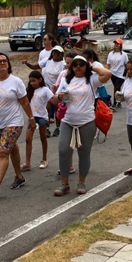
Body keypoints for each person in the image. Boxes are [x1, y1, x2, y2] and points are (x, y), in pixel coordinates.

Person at [50, 56, 112, 196]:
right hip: (68, 121)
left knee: (84, 153)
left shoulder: (91, 80)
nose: (78, 67)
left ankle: (81, 182)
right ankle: (64, 184)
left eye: (81, 64)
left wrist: (91, 67)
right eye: (75, 64)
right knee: (64, 151)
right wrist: (60, 97)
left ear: (86, 66)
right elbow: (54, 99)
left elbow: (107, 74)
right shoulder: (67, 80)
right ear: (71, 67)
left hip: (87, 121)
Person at [0, 53, 36, 198]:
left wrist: (31, 118)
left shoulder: (15, 82)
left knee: (4, 151)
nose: (2, 63)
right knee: (12, 147)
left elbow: (24, 102)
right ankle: (19, 177)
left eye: (5, 61)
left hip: (14, 122)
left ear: (8, 64)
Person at [21, 71, 54, 171]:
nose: (32, 83)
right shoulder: (29, 91)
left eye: (34, 81)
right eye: (30, 81)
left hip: (42, 118)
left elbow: (52, 100)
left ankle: (44, 159)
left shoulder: (45, 90)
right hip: (32, 118)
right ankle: (27, 162)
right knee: (28, 139)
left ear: (40, 79)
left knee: (43, 138)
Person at [107, 39, 129, 109]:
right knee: (117, 89)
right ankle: (119, 102)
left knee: (116, 88)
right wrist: (106, 71)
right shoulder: (110, 54)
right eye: (115, 43)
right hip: (113, 73)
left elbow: (126, 64)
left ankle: (114, 103)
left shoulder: (124, 55)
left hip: (121, 74)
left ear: (120, 45)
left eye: (118, 44)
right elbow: (108, 64)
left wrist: (127, 73)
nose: (116, 45)